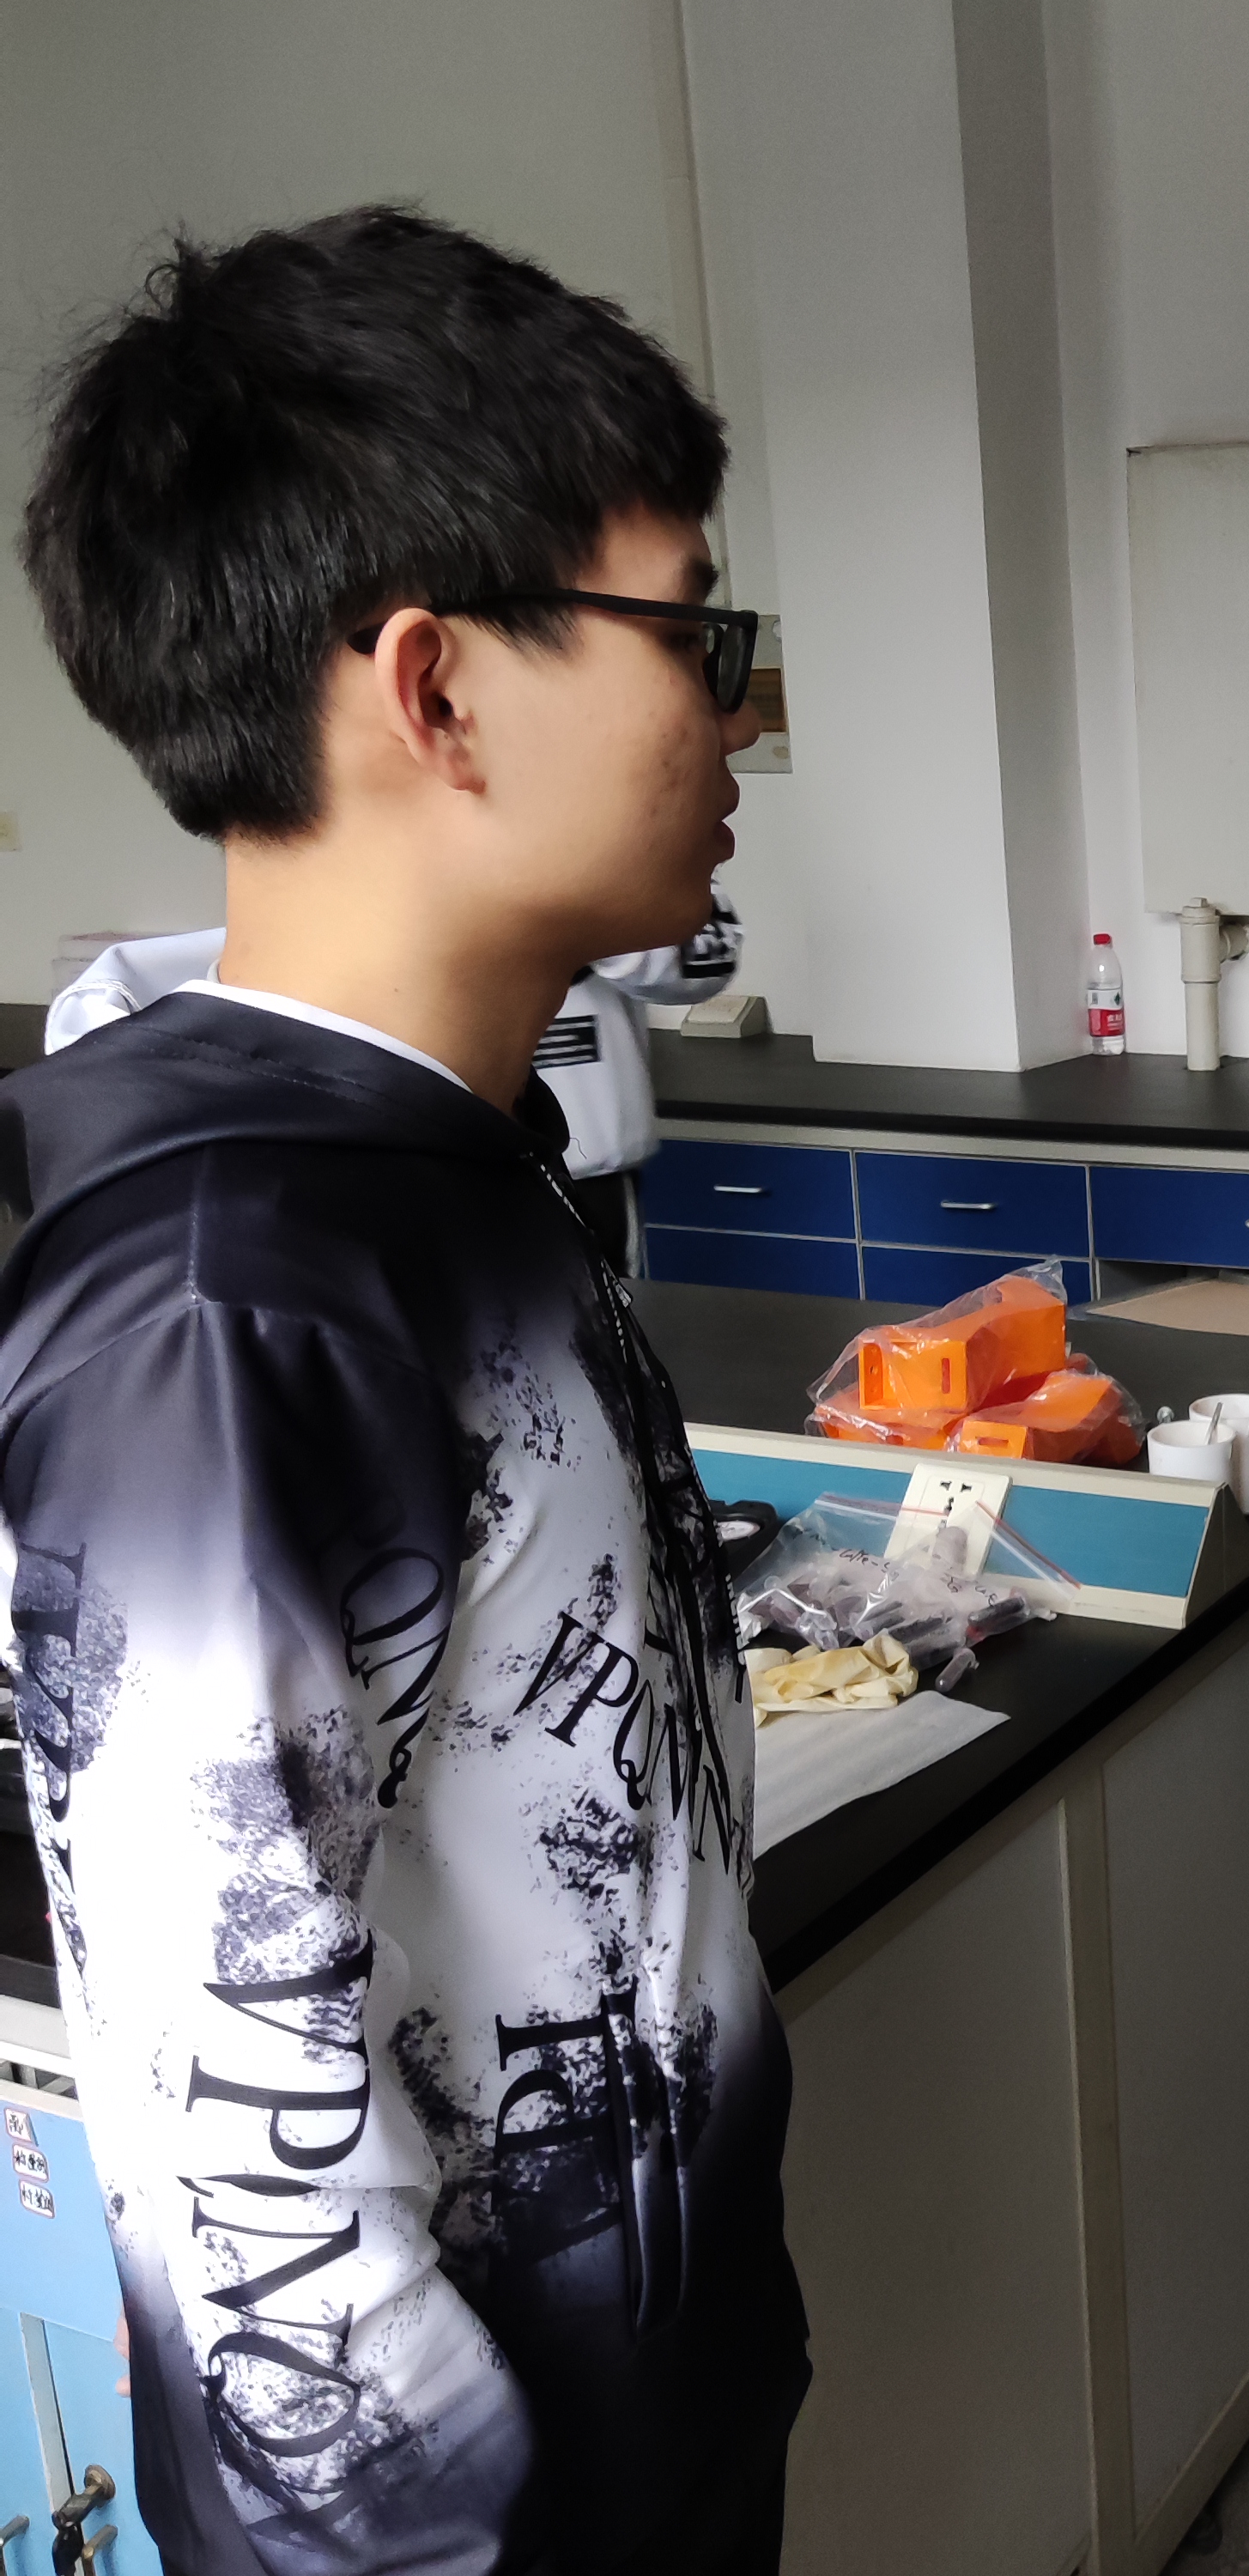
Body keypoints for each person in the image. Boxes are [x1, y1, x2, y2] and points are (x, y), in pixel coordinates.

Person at [3, 208, 806, 2574]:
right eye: (697, 634)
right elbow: (253, 2204)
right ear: (439, 691)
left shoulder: (440, 1161)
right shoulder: (231, 1299)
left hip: (645, 2408)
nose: (744, 711)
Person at [45, 893, 743, 1273]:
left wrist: (582, 923)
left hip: (590, 1172)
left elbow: (708, 952)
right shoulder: (372, 887)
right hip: (431, 1176)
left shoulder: (598, 842)